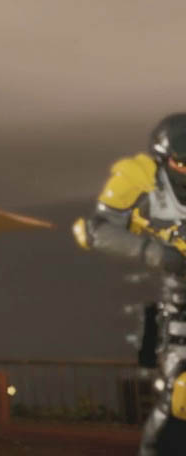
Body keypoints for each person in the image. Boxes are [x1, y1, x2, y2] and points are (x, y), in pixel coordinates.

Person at [74, 113, 186, 455]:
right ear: (165, 159)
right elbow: (96, 230)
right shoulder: (141, 177)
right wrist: (157, 253)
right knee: (179, 395)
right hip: (181, 298)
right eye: (182, 163)